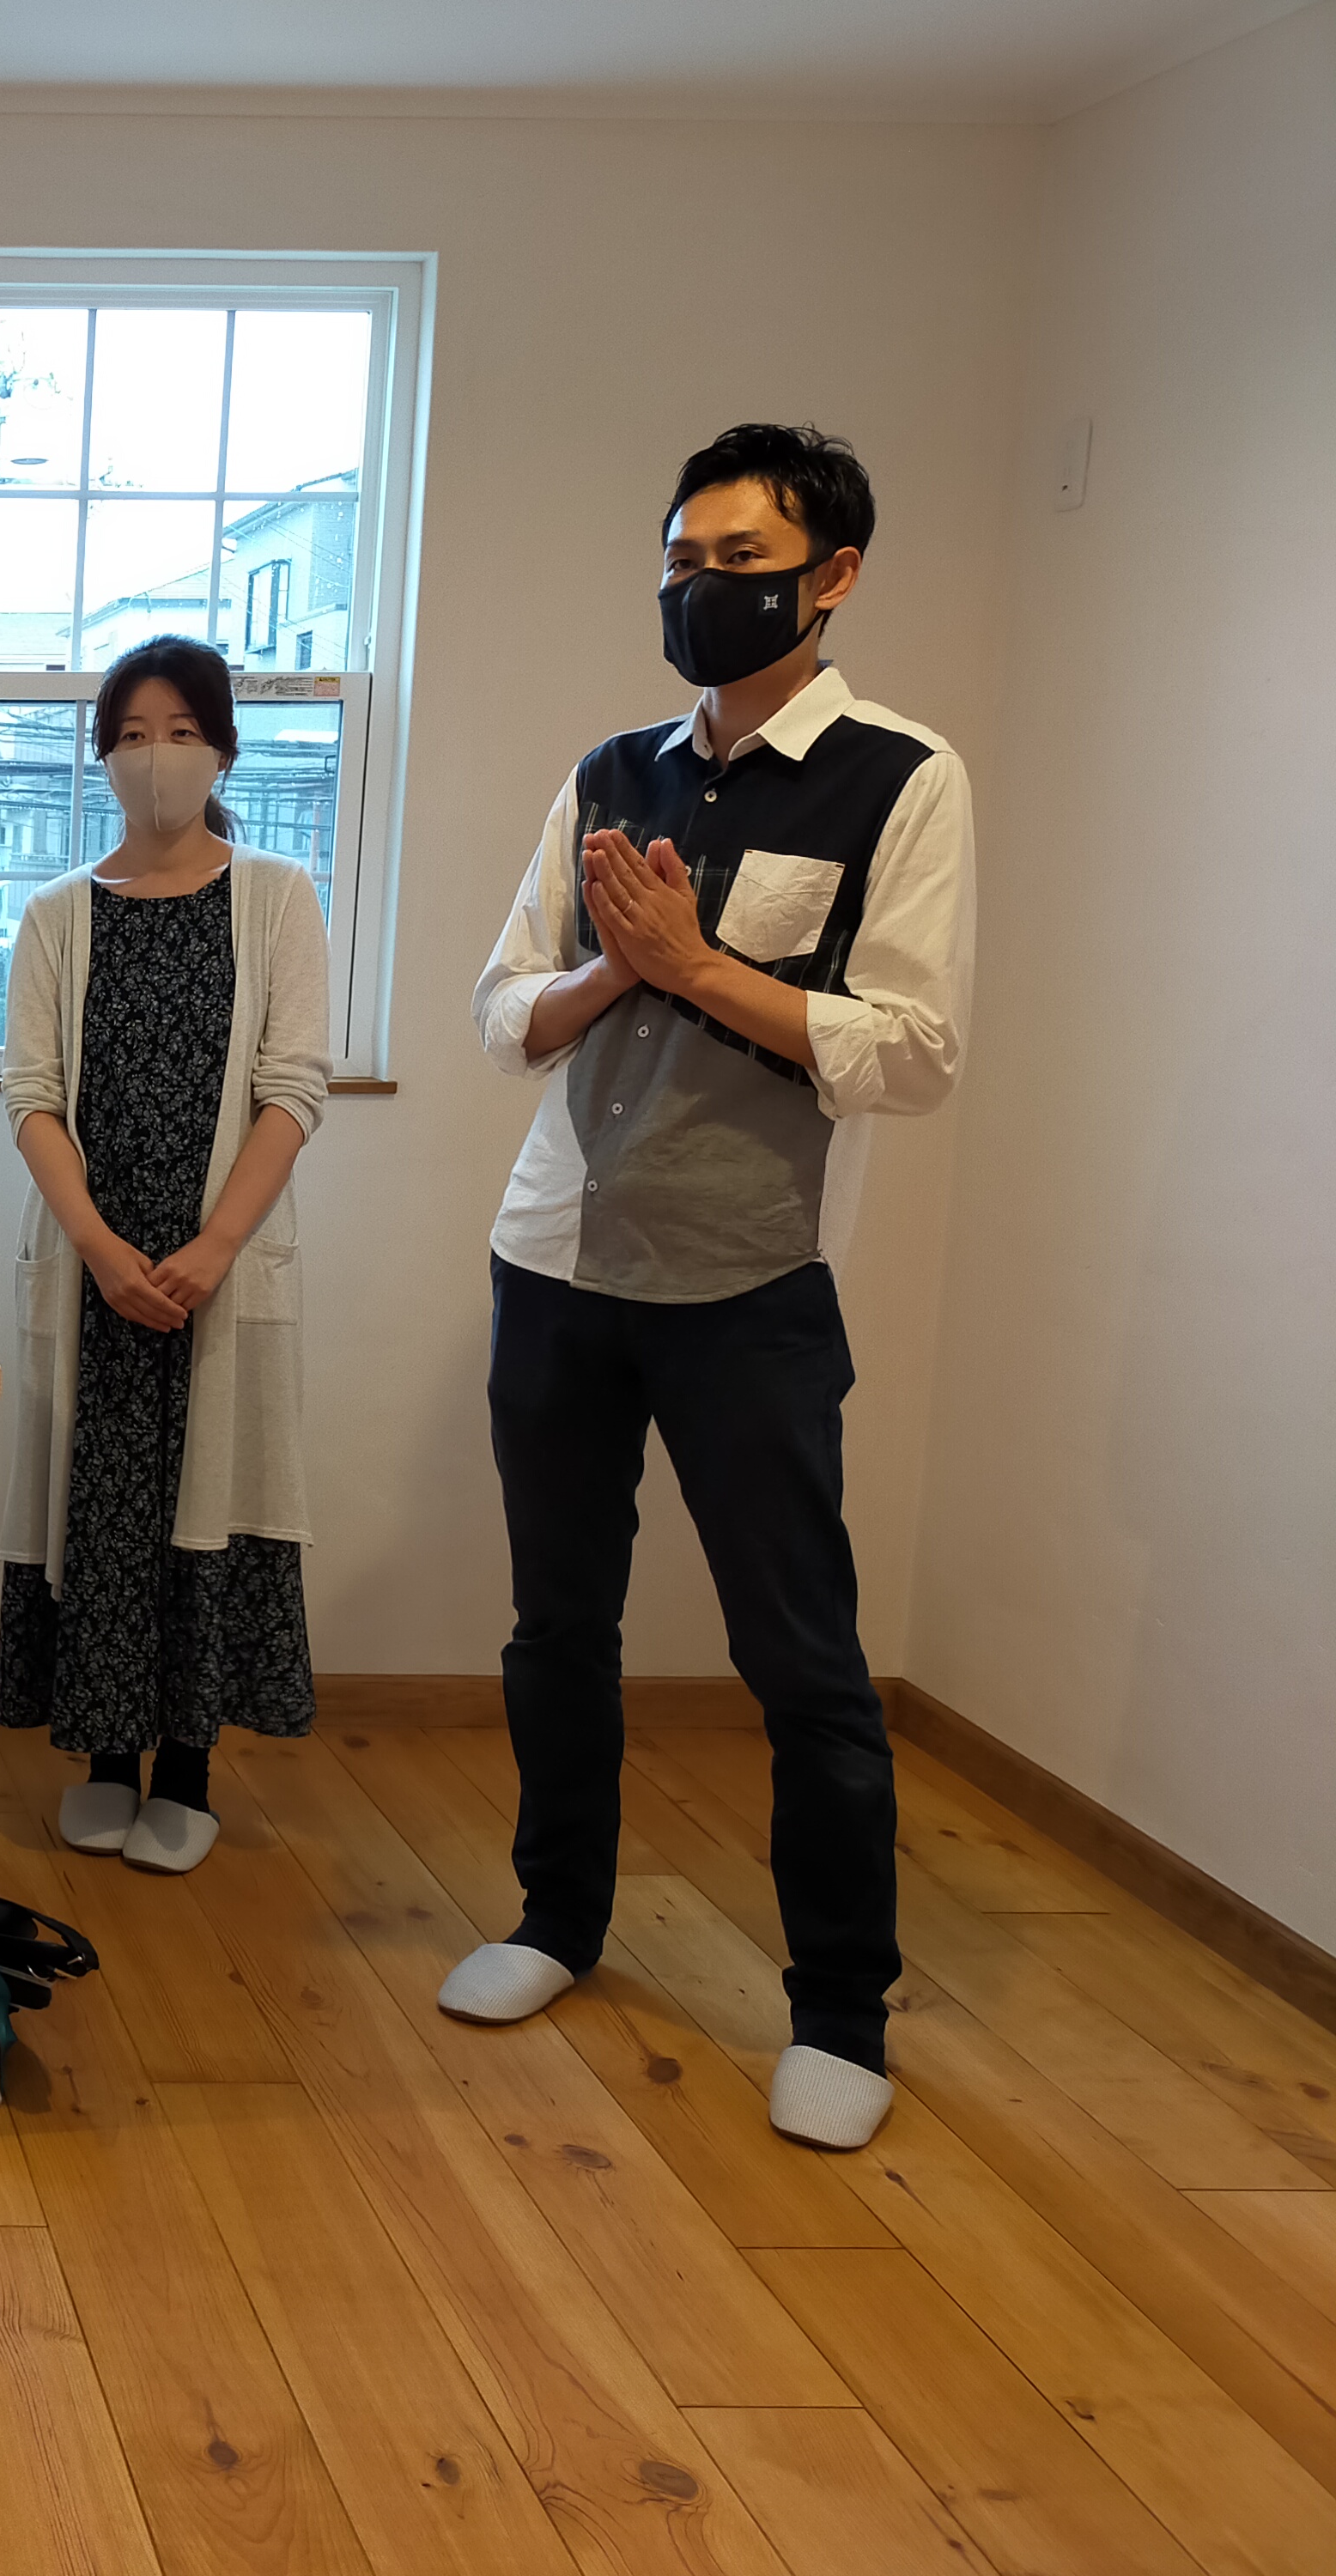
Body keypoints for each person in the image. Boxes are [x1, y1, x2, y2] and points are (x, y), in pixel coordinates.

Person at [447, 423, 974, 2153]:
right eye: (680, 561)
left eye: (738, 561)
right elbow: (503, 1015)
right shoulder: (611, 770)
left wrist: (692, 964)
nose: (699, 589)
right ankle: (555, 1918)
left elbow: (910, 1052)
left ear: (832, 577)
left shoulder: (901, 777)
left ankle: (840, 2011)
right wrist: (619, 969)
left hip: (750, 1284)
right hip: (558, 1259)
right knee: (555, 1626)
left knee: (800, 1656)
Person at [0, 637, 332, 1874]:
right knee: (98, 1504)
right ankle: (103, 1760)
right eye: (132, 735)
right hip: (96, 1266)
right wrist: (98, 1248)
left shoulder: (281, 898)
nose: (158, 757)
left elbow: (293, 1088)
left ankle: (186, 1770)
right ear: (102, 758)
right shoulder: (55, 915)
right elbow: (30, 1096)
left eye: (182, 732)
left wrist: (213, 1249)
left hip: (216, 1272)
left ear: (223, 750)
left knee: (206, 1503)